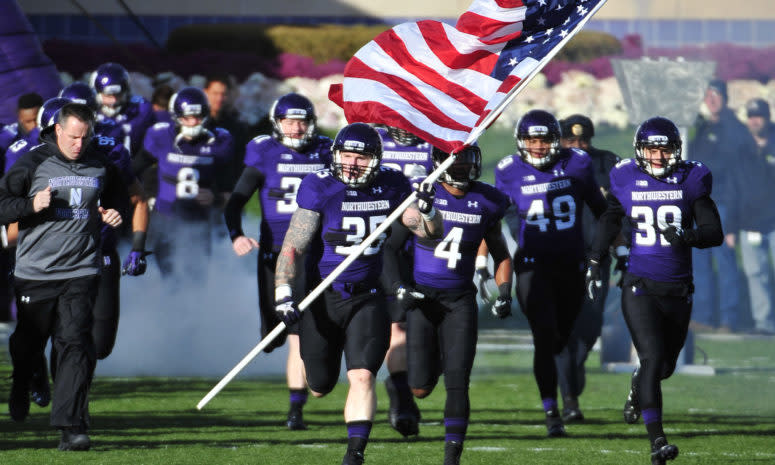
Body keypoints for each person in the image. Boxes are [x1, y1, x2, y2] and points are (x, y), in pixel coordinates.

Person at [274, 122, 442, 465]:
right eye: (346, 155)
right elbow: (294, 246)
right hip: (323, 295)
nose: (352, 163)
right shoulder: (319, 186)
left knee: (363, 375)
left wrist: (428, 209)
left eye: (361, 157)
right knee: (318, 385)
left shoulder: (392, 184)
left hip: (368, 296)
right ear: (336, 155)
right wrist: (283, 291)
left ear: (376, 160)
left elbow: (429, 233)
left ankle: (355, 453)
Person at [586, 116, 723, 465]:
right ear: (640, 150)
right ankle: (657, 441)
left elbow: (713, 231)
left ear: (675, 150)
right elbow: (611, 218)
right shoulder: (624, 176)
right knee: (650, 357)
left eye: (665, 149)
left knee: (664, 366)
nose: (659, 157)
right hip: (639, 283)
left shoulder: (691, 178)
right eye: (652, 149)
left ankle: (638, 385)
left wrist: (688, 236)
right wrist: (595, 260)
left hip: (678, 288)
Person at [0, 102, 129, 450]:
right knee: (29, 345)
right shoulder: (32, 162)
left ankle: (71, 428)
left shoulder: (100, 162)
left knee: (75, 345)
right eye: (73, 137)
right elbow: (2, 204)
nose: (78, 144)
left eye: (84, 138)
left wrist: (115, 213)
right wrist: (30, 206)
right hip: (36, 272)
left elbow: (121, 198)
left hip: (81, 270)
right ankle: (21, 381)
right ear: (57, 130)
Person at [384, 145, 511, 465]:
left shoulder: (488, 200)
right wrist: (399, 287)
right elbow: (390, 250)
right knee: (420, 388)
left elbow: (502, 253)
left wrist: (505, 291)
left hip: (459, 300)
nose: (464, 169)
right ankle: (400, 386)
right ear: (439, 164)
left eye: (469, 163)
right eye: (457, 163)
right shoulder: (421, 195)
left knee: (458, 380)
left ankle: (452, 455)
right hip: (423, 299)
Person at [492, 109, 606, 437]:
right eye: (532, 140)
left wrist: (605, 251)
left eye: (544, 140)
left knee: (563, 337)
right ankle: (552, 411)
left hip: (571, 265)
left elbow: (601, 211)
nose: (539, 146)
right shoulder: (508, 171)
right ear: (521, 142)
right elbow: (495, 219)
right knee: (544, 338)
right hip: (532, 266)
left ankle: (566, 394)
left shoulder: (578, 163)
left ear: (555, 141)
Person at [223, 92, 332, 430]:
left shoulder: (325, 152)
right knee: (275, 337)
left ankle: (295, 409)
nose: (296, 127)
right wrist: (236, 235)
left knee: (300, 331)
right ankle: (276, 340)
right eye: (289, 120)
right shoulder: (264, 152)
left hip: (313, 254)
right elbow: (235, 202)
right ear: (277, 123)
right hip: (275, 256)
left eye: (302, 121)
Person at [554, 114, 621, 422]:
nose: (578, 145)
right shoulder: (551, 164)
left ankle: (576, 367)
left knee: (590, 325)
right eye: (571, 140)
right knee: (563, 330)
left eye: (583, 140)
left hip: (597, 256)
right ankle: (569, 400)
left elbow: (621, 209)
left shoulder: (607, 163)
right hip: (562, 258)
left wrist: (621, 246)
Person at [133, 86, 234, 277]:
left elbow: (231, 186)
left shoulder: (219, 140)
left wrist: (216, 198)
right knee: (164, 275)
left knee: (196, 277)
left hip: (200, 219)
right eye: (187, 117)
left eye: (197, 116)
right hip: (165, 216)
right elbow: (134, 170)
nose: (193, 122)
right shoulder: (161, 135)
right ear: (176, 116)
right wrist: (143, 194)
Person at [375, 125, 434, 437]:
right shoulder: (375, 141)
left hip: (430, 243)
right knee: (398, 324)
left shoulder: (435, 138)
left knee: (430, 324)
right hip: (390, 244)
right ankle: (401, 397)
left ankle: (407, 386)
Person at [688, 79, 754, 332]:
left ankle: (729, 319)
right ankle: (703, 317)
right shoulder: (703, 128)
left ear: (725, 98)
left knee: (725, 262)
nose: (711, 99)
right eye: (708, 95)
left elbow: (739, 176)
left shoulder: (735, 130)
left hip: (723, 205)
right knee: (699, 262)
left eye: (716, 94)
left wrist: (734, 221)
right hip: (699, 205)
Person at [737, 98, 775, 334]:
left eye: (758, 116)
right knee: (755, 273)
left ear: (767, 117)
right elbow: (734, 186)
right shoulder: (741, 147)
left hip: (774, 220)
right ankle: (763, 321)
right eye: (751, 116)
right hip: (749, 221)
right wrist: (732, 225)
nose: (755, 121)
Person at [90, 62, 155, 156]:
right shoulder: (89, 109)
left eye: (118, 95)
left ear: (126, 91)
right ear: (96, 92)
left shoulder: (140, 108)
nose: (113, 100)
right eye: (108, 95)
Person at [203, 75, 250, 188]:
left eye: (223, 94)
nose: (219, 98)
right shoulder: (194, 125)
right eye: (215, 93)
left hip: (225, 191)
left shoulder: (237, 127)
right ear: (205, 93)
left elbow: (240, 163)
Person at [0, 92, 43, 159]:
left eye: (37, 119)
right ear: (20, 119)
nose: (34, 125)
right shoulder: (10, 139)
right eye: (28, 121)